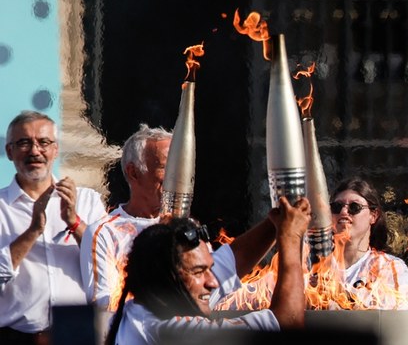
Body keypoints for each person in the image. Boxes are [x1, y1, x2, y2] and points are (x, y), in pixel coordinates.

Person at [105, 196, 310, 345]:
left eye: (209, 269)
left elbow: (236, 258)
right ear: (167, 278)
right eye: (198, 271)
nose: (212, 282)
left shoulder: (144, 305)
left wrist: (276, 222)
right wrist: (291, 237)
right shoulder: (166, 327)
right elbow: (287, 324)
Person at [0, 110, 107, 344]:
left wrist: (74, 222)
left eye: (44, 142)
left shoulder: (87, 200)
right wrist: (32, 232)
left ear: (55, 150)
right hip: (18, 337)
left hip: (79, 334)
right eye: (24, 143)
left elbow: (108, 265)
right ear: (10, 151)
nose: (35, 151)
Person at [81, 124, 173, 312]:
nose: (176, 176)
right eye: (166, 167)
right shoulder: (105, 233)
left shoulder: (185, 226)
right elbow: (106, 306)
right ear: (133, 173)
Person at [328, 177, 408, 310]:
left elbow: (394, 322)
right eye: (336, 207)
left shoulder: (390, 268)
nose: (344, 212)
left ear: (373, 216)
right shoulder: (313, 266)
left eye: (354, 207)